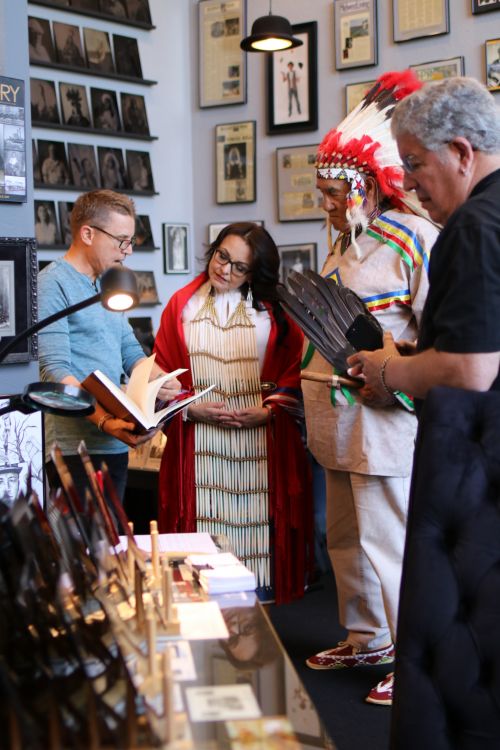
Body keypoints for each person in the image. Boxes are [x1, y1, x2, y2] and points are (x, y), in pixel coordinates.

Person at [301, 71, 439, 706]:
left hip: (386, 414)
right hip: (335, 416)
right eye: (323, 191)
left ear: (365, 184)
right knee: (346, 535)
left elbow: (439, 333)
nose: (327, 202)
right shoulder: (339, 247)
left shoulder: (416, 237)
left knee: (391, 537)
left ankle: (416, 656)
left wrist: (400, 376)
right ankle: (367, 636)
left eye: (336, 191)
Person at [153, 222, 313, 604]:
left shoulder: (277, 314)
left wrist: (270, 411)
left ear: (255, 274)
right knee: (202, 533)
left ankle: (260, 614)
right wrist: (190, 408)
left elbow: (299, 369)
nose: (225, 269)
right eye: (222, 256)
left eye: (239, 267)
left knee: (258, 531)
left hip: (261, 440)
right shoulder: (182, 305)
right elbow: (162, 372)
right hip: (200, 442)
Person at [348, 76, 500, 413]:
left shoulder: (472, 225)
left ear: (461, 152)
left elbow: (469, 372)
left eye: (414, 163)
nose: (406, 182)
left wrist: (387, 370)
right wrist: (426, 355)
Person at [38, 189, 181, 505]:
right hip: (74, 449)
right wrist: (104, 420)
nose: (127, 251)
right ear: (87, 233)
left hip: (115, 447)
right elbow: (56, 374)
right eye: (121, 240)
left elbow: (129, 350)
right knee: (86, 550)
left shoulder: (108, 285)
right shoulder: (53, 283)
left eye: (130, 241)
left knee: (112, 547)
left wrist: (160, 380)